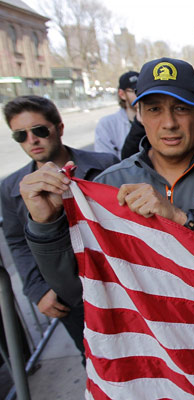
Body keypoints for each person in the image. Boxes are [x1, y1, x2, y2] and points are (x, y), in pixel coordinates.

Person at [19, 57, 194, 310]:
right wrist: (45, 225)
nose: (169, 123)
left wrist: (182, 219)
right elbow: (77, 290)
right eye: (155, 109)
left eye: (181, 108)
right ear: (140, 115)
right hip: (151, 346)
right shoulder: (111, 183)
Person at [1, 95, 119, 356]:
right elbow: (16, 241)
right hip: (68, 295)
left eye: (39, 130)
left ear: (59, 128)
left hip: (115, 280)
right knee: (92, 359)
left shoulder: (105, 165)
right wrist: (37, 289)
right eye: (20, 135)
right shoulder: (11, 188)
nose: (32, 140)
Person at [94, 71, 139, 158]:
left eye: (143, 89)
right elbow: (105, 162)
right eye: (135, 91)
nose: (140, 94)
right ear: (122, 94)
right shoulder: (107, 125)